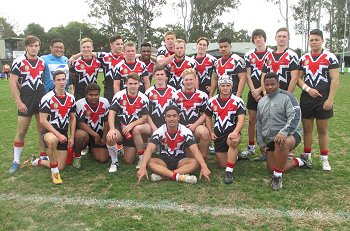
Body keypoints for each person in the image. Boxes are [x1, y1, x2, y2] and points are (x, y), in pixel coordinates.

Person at [256, 72, 310, 191]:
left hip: (291, 135)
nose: (270, 87)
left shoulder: (288, 97)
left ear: (278, 84)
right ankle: (300, 161)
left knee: (281, 143)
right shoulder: (261, 101)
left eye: (273, 84)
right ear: (264, 85)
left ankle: (277, 177)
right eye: (267, 84)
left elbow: (295, 116)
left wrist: (284, 132)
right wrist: (261, 142)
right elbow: (259, 124)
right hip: (271, 139)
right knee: (272, 168)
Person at [297, 29, 339, 171]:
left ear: (322, 41)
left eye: (316, 39)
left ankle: (324, 159)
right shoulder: (303, 58)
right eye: (311, 40)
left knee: (322, 130)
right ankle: (307, 156)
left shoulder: (330, 57)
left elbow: (335, 79)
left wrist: (330, 99)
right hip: (307, 98)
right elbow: (298, 78)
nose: (314, 42)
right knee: (307, 129)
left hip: (323, 98)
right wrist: (308, 89)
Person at [137, 105, 211, 184]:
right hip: (163, 161)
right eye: (168, 116)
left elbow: (195, 149)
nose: (172, 119)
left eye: (174, 116)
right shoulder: (159, 131)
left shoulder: (185, 131)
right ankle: (179, 177)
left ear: (178, 117)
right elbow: (150, 149)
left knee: (197, 163)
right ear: (165, 118)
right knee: (147, 162)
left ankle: (164, 175)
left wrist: (204, 166)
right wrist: (142, 167)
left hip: (181, 161)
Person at [8, 35, 47, 174]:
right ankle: (16, 161)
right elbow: (12, 82)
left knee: (42, 129)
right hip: (26, 99)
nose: (34, 48)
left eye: (36, 46)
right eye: (31, 46)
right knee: (21, 131)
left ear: (39, 47)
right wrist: (18, 101)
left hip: (40, 98)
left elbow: (42, 81)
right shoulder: (19, 61)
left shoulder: (42, 62)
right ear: (26, 47)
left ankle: (43, 155)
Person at [205, 74, 246, 184]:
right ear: (219, 86)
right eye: (223, 85)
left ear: (231, 86)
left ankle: (229, 172)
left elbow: (242, 119)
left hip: (231, 132)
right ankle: (234, 156)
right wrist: (210, 131)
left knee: (233, 142)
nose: (225, 88)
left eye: (228, 85)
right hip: (219, 135)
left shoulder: (238, 100)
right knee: (222, 164)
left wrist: (235, 132)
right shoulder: (212, 101)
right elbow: (207, 116)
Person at [38, 70, 76, 184]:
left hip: (63, 133)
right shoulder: (47, 98)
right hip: (49, 132)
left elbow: (73, 119)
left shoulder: (71, 98)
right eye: (58, 80)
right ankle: (55, 174)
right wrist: (58, 134)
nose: (61, 82)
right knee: (53, 141)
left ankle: (39, 162)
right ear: (53, 82)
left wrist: (72, 137)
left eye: (63, 79)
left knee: (61, 166)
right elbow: (43, 120)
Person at [107, 73, 151, 170]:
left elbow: (144, 118)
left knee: (129, 160)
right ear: (126, 84)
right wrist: (112, 129)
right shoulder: (119, 95)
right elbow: (111, 113)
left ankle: (139, 156)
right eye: (130, 84)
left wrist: (132, 125)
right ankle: (114, 162)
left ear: (139, 84)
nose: (133, 86)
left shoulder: (143, 98)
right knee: (111, 137)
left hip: (133, 128)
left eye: (135, 83)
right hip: (120, 126)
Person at [241, 29, 272, 159]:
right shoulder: (248, 55)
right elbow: (247, 75)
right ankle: (251, 146)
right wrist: (253, 90)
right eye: (255, 38)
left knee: (267, 121)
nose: (258, 40)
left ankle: (267, 149)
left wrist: (260, 89)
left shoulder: (271, 54)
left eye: (260, 37)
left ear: (264, 39)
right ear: (253, 40)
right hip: (253, 92)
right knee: (252, 120)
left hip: (267, 92)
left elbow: (271, 73)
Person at [70, 34, 124, 103]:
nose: (120, 46)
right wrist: (74, 57)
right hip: (105, 91)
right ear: (111, 45)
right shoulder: (104, 57)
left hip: (123, 88)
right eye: (118, 44)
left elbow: (135, 55)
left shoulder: (126, 56)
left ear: (92, 47)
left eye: (121, 44)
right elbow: (88, 52)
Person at [71, 83, 113, 169]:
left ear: (99, 94)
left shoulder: (105, 102)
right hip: (86, 133)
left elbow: (106, 121)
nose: (94, 97)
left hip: (100, 133)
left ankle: (92, 148)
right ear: (86, 94)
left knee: (103, 159)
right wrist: (95, 135)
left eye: (96, 95)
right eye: (91, 95)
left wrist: (104, 138)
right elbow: (80, 123)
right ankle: (77, 156)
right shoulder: (80, 103)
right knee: (80, 135)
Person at [173, 68, 210, 160]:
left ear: (195, 80)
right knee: (188, 158)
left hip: (195, 127)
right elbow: (172, 114)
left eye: (191, 79)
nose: (188, 82)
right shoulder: (176, 95)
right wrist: (179, 127)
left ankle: (203, 158)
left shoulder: (202, 95)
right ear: (182, 80)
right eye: (186, 79)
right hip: (180, 127)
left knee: (205, 133)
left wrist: (195, 125)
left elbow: (205, 113)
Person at [261, 27, 299, 94]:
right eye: (279, 36)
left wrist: (288, 95)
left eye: (284, 36)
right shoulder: (268, 56)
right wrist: (264, 92)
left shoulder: (292, 55)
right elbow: (263, 76)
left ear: (288, 39)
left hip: (284, 93)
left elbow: (294, 78)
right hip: (270, 95)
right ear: (275, 38)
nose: (281, 38)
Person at [145, 65, 176, 132]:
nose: (160, 77)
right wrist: (153, 127)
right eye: (157, 74)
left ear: (166, 76)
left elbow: (176, 110)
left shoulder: (173, 91)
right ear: (153, 76)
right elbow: (146, 113)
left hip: (170, 125)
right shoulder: (148, 92)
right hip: (153, 125)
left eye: (162, 74)